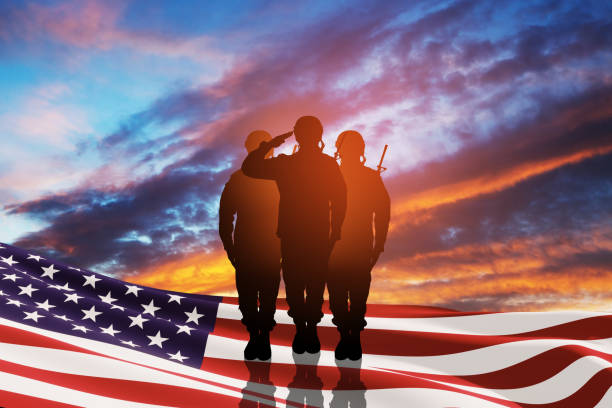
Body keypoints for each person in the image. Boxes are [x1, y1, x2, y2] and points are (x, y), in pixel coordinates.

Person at [242, 116, 346, 354]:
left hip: (306, 233)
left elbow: (340, 199)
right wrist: (336, 229)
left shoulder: (297, 164)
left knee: (302, 282)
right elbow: (340, 201)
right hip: (306, 233)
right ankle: (305, 329)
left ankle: (305, 329)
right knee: (307, 282)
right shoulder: (312, 164)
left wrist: (270, 145)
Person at [219, 130, 281, 360]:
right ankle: (255, 334)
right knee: (247, 297)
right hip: (245, 246)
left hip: (272, 245)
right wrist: (230, 246)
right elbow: (226, 216)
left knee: (267, 296)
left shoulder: (280, 178)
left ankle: (262, 335)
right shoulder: (238, 179)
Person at [328, 130, 390, 360]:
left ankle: (351, 337)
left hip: (360, 244)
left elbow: (382, 213)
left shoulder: (371, 178)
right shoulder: (330, 177)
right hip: (335, 245)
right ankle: (347, 335)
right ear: (340, 149)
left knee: (356, 295)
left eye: (356, 147)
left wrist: (379, 244)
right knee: (338, 295)